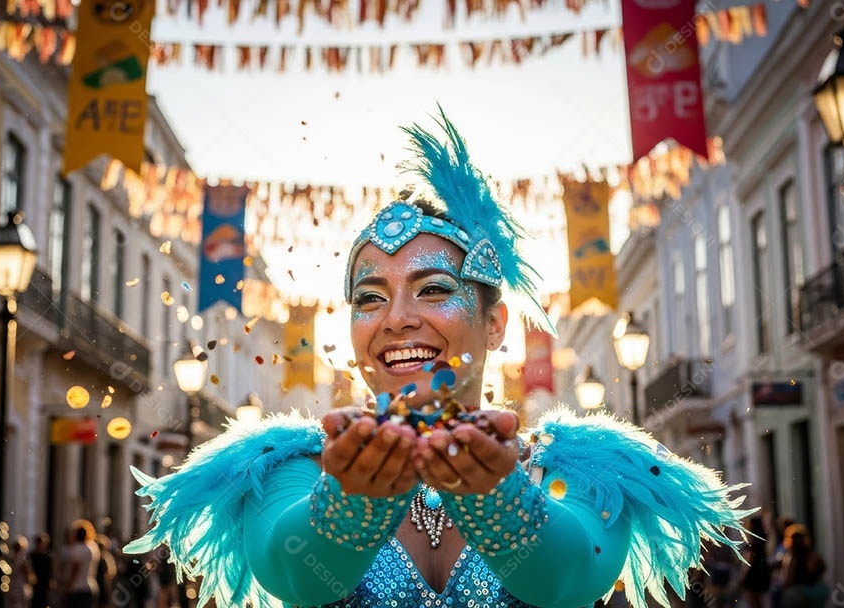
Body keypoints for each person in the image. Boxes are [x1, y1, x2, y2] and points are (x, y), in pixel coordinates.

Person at [127, 110, 752, 608]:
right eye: (371, 298)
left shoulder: (578, 470)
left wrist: (498, 499)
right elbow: (294, 573)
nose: (397, 318)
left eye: (432, 290)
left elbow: (571, 577)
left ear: (495, 324)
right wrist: (352, 502)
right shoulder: (291, 468)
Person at [780, 524, 827, 608]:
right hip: (817, 591)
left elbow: (789, 577)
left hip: (800, 594)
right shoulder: (812, 554)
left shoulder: (792, 556)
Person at [60, 520, 99, 608]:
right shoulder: (93, 548)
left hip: (76, 588)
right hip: (90, 586)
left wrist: (67, 586)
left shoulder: (76, 549)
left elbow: (75, 567)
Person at [739, 516, 772, 608]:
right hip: (762, 572)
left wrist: (743, 575)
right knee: (761, 601)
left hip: (753, 574)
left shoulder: (752, 541)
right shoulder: (763, 538)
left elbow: (750, 559)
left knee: (753, 601)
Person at [7, 535, 35, 608]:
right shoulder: (13, 559)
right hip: (14, 587)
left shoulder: (23, 560)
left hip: (20, 588)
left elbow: (29, 576)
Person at [30, 533, 54, 608]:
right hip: (34, 585)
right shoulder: (32, 555)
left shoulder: (47, 557)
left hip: (44, 584)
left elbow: (50, 570)